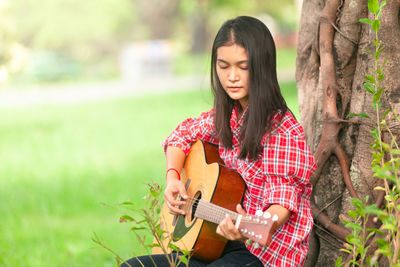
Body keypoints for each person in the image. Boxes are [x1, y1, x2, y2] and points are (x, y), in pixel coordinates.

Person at [122, 15, 317, 267]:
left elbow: (280, 207)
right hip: (216, 244)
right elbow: (181, 135)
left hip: (264, 257)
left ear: (262, 66)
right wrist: (173, 179)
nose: (231, 76)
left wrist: (247, 227)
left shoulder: (282, 133)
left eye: (242, 67)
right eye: (223, 66)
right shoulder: (229, 117)